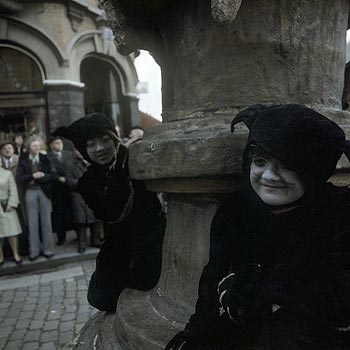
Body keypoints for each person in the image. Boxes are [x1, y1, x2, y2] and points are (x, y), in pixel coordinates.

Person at [166, 104, 350, 350]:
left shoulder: (338, 212)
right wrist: (197, 330)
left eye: (287, 165)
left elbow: (339, 295)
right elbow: (214, 277)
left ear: (313, 171)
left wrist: (265, 286)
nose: (269, 176)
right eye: (260, 161)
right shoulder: (236, 211)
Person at [53, 113, 166, 312]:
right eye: (91, 144)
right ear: (84, 150)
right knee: (101, 296)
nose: (100, 148)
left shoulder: (135, 159)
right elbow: (113, 211)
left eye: (105, 140)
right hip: (119, 240)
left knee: (146, 279)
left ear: (114, 139)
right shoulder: (87, 182)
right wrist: (122, 165)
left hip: (150, 233)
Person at [16, 135, 57, 261]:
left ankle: (48, 250)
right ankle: (34, 252)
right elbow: (20, 178)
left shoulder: (45, 158)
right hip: (30, 193)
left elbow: (53, 175)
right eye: (35, 145)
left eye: (39, 145)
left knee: (46, 221)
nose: (37, 147)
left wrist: (41, 176)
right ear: (29, 147)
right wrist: (33, 176)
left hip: (44, 192)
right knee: (32, 222)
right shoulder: (23, 160)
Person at [65, 148, 102, 253]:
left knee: (95, 219)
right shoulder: (70, 164)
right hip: (78, 195)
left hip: (92, 195)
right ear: (74, 152)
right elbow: (69, 181)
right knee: (81, 221)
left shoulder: (92, 161)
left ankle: (96, 240)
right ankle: (82, 243)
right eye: (78, 150)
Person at [47, 136, 74, 246]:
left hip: (70, 187)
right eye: (57, 143)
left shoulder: (68, 154)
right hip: (56, 189)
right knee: (59, 214)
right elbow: (49, 171)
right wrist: (58, 178)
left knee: (73, 211)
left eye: (60, 143)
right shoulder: (48, 156)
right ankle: (61, 238)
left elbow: (73, 168)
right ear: (51, 145)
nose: (59, 145)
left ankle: (78, 236)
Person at [0, 162, 22, 265]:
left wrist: (12, 203)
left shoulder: (7, 174)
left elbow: (13, 190)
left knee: (12, 232)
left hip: (7, 205)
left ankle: (15, 254)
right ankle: (0, 257)